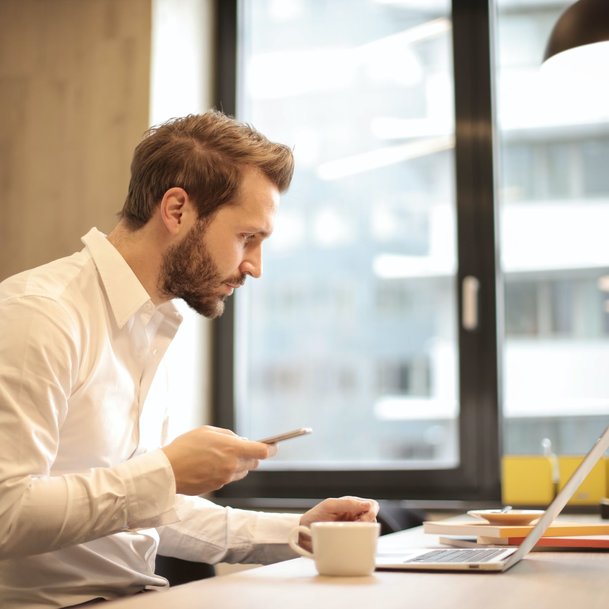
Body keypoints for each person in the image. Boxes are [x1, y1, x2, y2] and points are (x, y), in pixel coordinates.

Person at [0, 110, 379, 608]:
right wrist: (166, 473)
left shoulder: (150, 324)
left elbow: (136, 507)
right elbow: (6, 513)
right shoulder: (41, 315)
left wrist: (299, 532)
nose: (254, 267)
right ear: (176, 209)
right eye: (248, 237)